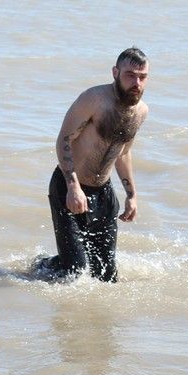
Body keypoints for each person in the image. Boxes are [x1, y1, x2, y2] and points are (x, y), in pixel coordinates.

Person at [37, 47, 150, 282]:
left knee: (107, 276)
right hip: (69, 187)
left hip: (104, 194)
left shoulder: (140, 112)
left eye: (142, 77)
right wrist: (73, 187)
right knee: (75, 271)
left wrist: (131, 195)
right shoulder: (94, 100)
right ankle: (40, 267)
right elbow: (64, 139)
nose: (136, 82)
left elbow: (123, 152)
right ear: (115, 72)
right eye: (130, 75)